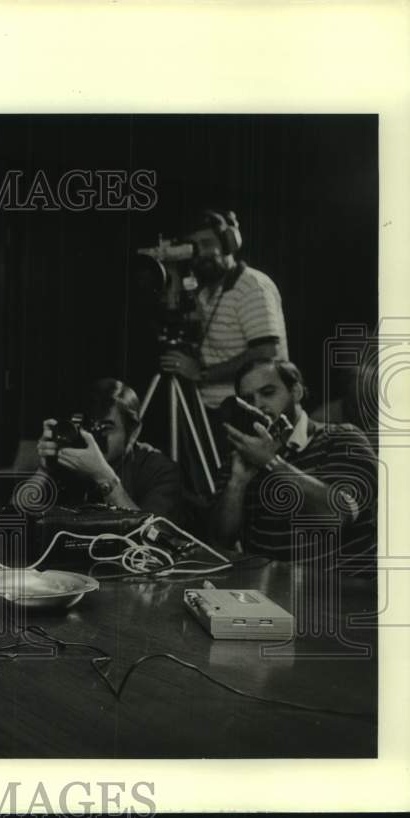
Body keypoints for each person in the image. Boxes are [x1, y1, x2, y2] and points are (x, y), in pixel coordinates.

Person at [209, 358, 376, 567]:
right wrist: (237, 483)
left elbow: (338, 514)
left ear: (296, 391)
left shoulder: (343, 438)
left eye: (268, 393)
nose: (258, 405)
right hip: (272, 591)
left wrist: (271, 462)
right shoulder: (243, 456)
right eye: (248, 400)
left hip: (343, 591)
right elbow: (220, 540)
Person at [158, 209, 289, 418]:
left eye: (208, 244)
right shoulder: (201, 290)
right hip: (211, 408)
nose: (201, 253)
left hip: (248, 410)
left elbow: (266, 352)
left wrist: (202, 374)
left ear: (228, 244)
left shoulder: (251, 286)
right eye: (194, 246)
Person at [35, 378, 183, 522]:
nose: (94, 437)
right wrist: (43, 471)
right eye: (89, 426)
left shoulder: (160, 470)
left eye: (105, 428)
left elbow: (154, 537)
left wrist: (103, 476)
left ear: (134, 431)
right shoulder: (69, 459)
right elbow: (17, 523)